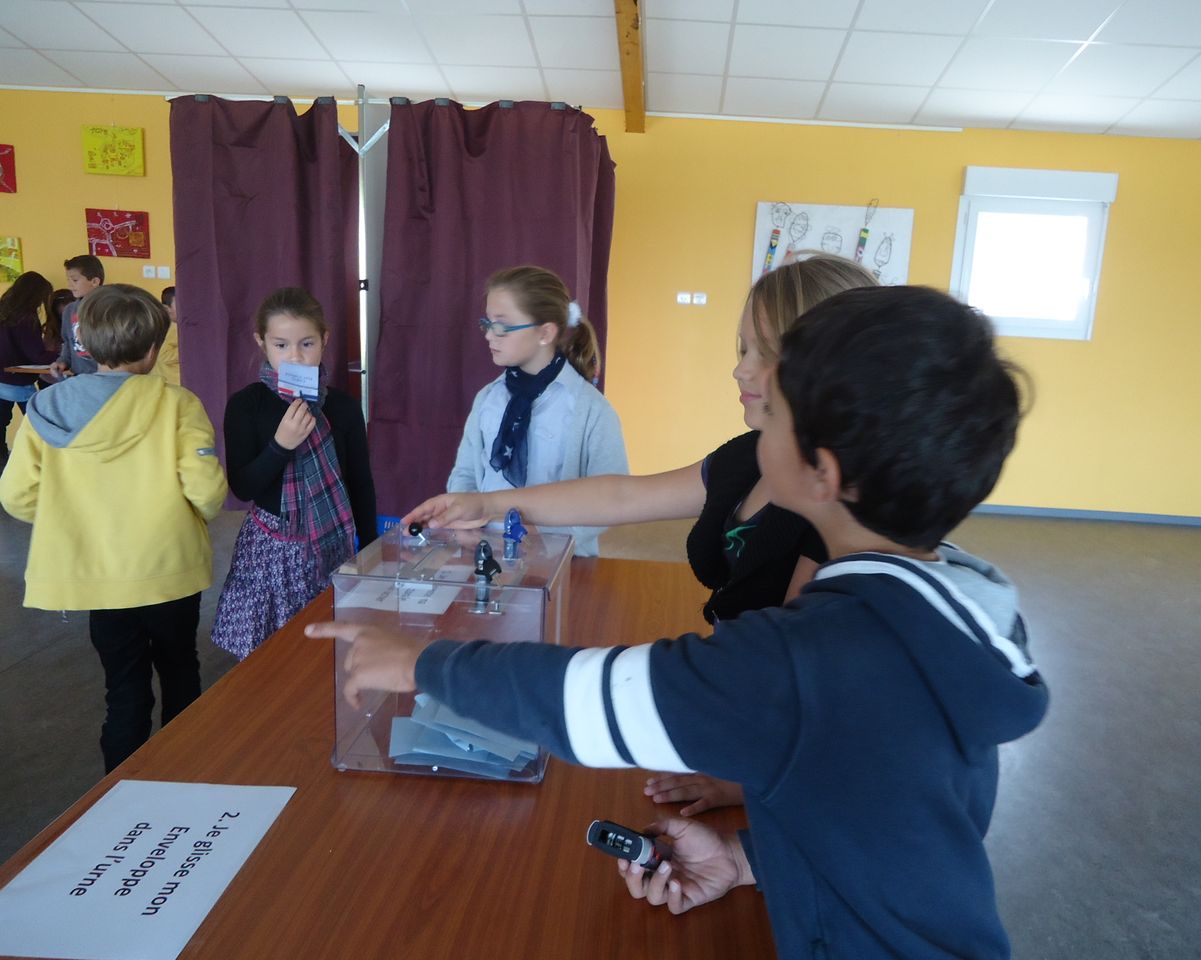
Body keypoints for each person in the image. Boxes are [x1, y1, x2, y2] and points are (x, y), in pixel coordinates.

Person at [311, 284, 1049, 960]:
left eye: (776, 409)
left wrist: (421, 662)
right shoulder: (946, 620)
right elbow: (887, 815)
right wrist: (745, 858)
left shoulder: (816, 655)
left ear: (822, 473)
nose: (753, 399)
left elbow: (598, 696)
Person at [408, 255, 877, 816]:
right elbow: (622, 496)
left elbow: (801, 685)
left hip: (771, 736)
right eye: (742, 349)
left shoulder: (842, 516)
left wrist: (744, 783)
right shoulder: (749, 457)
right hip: (746, 709)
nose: (740, 371)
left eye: (763, 353)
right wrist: (486, 502)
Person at [0, 284, 227, 773]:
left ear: (83, 344)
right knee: (181, 672)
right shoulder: (179, 404)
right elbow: (207, 492)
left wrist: (70, 515)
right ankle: (188, 776)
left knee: (123, 690)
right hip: (171, 572)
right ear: (153, 349)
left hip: (98, 581)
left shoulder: (47, 410)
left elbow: (15, 496)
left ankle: (121, 791)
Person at [211, 287, 376, 660]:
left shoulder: (344, 407)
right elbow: (243, 487)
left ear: (324, 340)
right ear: (261, 342)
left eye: (307, 343)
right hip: (271, 549)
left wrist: (367, 553)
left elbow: (360, 484)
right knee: (268, 655)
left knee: (326, 651)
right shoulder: (247, 405)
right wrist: (280, 445)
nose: (295, 356)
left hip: (332, 543)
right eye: (281, 345)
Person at [444, 265, 628, 556]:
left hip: (563, 560)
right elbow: (465, 473)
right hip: (490, 555)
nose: (489, 335)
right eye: (487, 323)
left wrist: (546, 539)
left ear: (545, 333)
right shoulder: (488, 399)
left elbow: (611, 499)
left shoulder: (590, 410)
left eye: (502, 326)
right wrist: (466, 518)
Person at [0, 271, 58, 453]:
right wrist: (64, 357)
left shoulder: (3, 310)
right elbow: (37, 355)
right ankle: (41, 458)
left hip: (2, 377)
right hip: (17, 380)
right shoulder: (25, 318)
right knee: (37, 424)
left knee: (1, 422)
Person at [49, 254, 105, 378]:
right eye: (68, 280)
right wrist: (62, 361)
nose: (70, 285)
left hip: (106, 376)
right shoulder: (69, 310)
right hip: (79, 376)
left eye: (75, 280)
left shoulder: (109, 308)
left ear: (95, 282)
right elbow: (68, 342)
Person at [155, 285, 180, 386]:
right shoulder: (173, 326)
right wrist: (192, 350)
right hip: (172, 385)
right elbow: (164, 356)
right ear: (166, 309)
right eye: (180, 304)